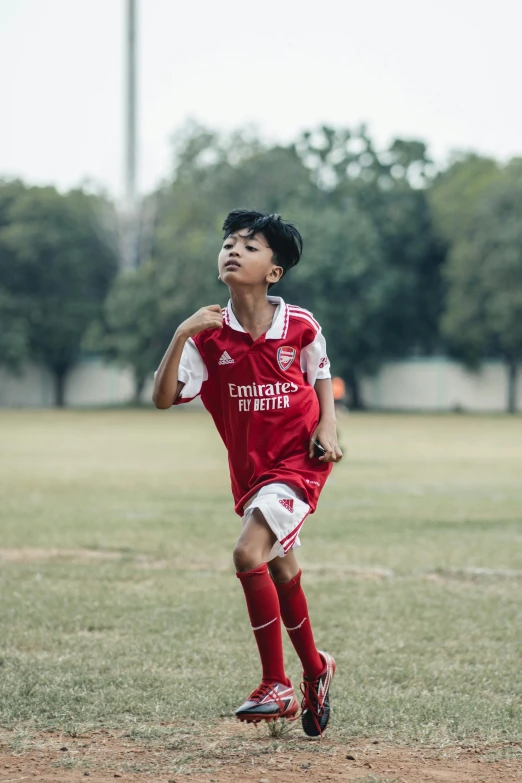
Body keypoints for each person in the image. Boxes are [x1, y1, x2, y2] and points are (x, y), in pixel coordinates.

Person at [153, 209, 343, 737]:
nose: (234, 250)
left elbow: (320, 372)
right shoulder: (208, 337)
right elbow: (164, 398)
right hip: (252, 472)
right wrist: (181, 332)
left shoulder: (299, 325)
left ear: (273, 271)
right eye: (229, 243)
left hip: (300, 463)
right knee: (280, 570)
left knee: (247, 553)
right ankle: (316, 668)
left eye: (250, 246)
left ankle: (275, 684)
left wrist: (328, 425)